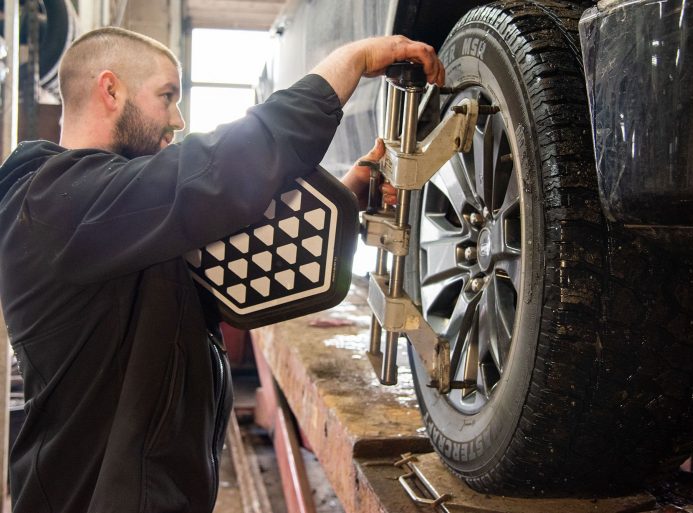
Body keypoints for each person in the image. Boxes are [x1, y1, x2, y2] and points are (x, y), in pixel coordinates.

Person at [0, 26, 444, 513]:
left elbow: (235, 271)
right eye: (166, 97)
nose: (178, 119)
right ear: (111, 90)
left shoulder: (106, 216)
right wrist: (351, 61)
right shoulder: (50, 203)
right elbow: (219, 170)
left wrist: (344, 196)